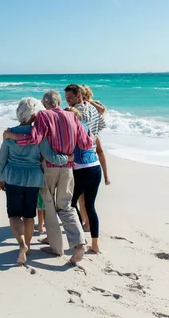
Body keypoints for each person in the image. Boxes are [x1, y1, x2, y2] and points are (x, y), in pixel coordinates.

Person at [3, 90, 93, 264]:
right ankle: (80, 244)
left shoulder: (44, 116)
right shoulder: (72, 117)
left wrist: (12, 136)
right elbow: (86, 143)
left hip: (49, 167)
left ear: (44, 104)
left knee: (49, 207)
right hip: (67, 167)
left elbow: (35, 139)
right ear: (59, 102)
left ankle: (56, 247)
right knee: (66, 207)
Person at [0, 97, 71, 264]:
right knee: (29, 215)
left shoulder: (9, 134)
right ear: (34, 115)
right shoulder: (39, 135)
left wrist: (0, 177)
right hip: (33, 178)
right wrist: (68, 158)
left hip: (12, 177)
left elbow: (2, 159)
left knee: (14, 214)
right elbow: (50, 156)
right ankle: (28, 246)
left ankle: (21, 244)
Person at [65, 106, 103, 254]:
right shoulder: (86, 126)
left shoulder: (69, 130)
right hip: (95, 167)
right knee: (90, 206)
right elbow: (92, 142)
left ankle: (81, 238)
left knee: (72, 204)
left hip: (81, 169)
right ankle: (95, 244)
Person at [81, 85, 110, 185]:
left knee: (100, 151)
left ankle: (106, 175)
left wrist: (90, 101)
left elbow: (102, 110)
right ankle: (104, 176)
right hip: (91, 129)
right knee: (98, 151)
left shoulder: (93, 103)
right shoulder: (82, 105)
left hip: (95, 129)